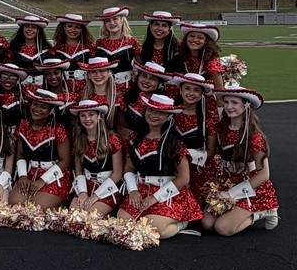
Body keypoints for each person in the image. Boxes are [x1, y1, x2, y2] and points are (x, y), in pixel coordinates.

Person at [118, 93, 202, 238]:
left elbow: (183, 179)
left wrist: (155, 197)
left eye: (160, 112)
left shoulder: (175, 142)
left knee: (152, 230)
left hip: (167, 193)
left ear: (169, 116)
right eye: (151, 110)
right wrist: (133, 190)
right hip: (142, 190)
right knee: (122, 222)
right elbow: (129, 168)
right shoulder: (135, 137)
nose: (154, 115)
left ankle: (181, 223)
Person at [203, 85, 278, 234]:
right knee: (207, 223)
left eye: (234, 103)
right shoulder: (221, 128)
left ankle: (264, 211)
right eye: (226, 102)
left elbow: (264, 175)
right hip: (227, 182)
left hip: (249, 187)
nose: (229, 107)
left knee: (223, 228)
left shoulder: (254, 136)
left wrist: (232, 194)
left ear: (246, 105)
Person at [10, 87, 71, 209]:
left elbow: (66, 160)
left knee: (35, 208)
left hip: (54, 176)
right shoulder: (23, 125)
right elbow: (20, 154)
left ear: (50, 111)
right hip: (30, 173)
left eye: (43, 107)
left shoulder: (57, 129)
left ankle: (59, 203)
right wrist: (22, 176)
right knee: (15, 204)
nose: (37, 109)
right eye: (35, 104)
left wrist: (43, 180)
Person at [169, 72, 218, 206]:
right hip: (170, 167)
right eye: (187, 88)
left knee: (196, 207)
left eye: (196, 90)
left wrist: (188, 157)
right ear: (180, 90)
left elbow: (211, 151)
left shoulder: (208, 117)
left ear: (202, 93)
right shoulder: (170, 113)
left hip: (198, 168)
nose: (191, 93)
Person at [69, 99, 124, 215]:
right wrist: (83, 192)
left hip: (106, 188)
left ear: (99, 116)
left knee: (90, 217)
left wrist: (96, 196)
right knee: (73, 216)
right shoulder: (79, 139)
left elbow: (117, 174)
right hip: (86, 186)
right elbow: (78, 171)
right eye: (83, 116)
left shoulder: (112, 139)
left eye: (91, 114)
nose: (87, 119)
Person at [118, 61, 169, 140]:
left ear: (159, 83)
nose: (147, 81)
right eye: (144, 76)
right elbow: (122, 126)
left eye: (152, 78)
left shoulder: (163, 104)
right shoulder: (126, 97)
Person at [93, 6, 142, 86]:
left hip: (127, 85)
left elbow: (141, 64)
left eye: (115, 19)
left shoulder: (131, 41)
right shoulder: (99, 43)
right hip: (104, 86)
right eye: (108, 21)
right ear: (104, 24)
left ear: (122, 21)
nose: (112, 23)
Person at [77, 55, 122, 128]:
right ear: (89, 75)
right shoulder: (83, 96)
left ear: (109, 73)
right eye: (93, 72)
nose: (98, 75)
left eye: (102, 71)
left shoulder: (117, 97)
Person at [176, 23, 225, 91]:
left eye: (200, 37)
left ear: (206, 42)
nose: (195, 40)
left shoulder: (211, 62)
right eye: (192, 36)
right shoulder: (180, 57)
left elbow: (219, 89)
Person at [50, 13, 95, 81]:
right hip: (63, 86)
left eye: (77, 27)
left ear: (81, 29)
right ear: (64, 27)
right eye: (70, 26)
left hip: (85, 86)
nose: (73, 30)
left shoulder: (88, 47)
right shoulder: (57, 48)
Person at [0, 62, 28, 129]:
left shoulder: (23, 99)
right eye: (4, 77)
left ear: (17, 81)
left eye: (13, 78)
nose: (8, 80)